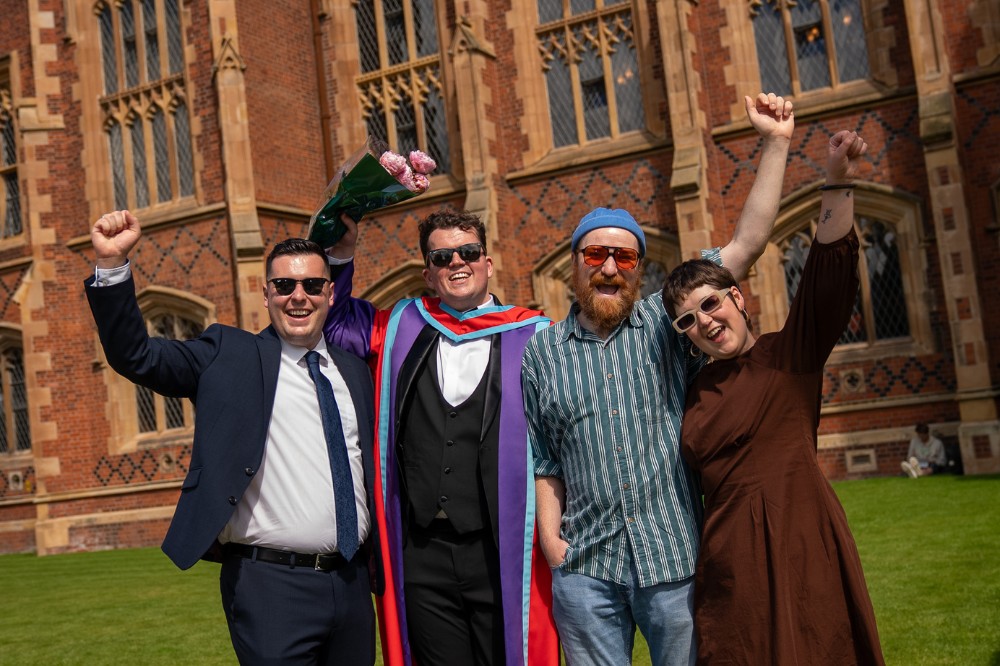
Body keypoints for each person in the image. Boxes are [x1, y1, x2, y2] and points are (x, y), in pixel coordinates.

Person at [521, 92, 794, 666]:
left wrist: (774, 143)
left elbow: (746, 244)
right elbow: (544, 460)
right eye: (595, 256)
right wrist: (551, 541)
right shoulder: (542, 351)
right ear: (575, 265)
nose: (610, 268)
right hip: (585, 569)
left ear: (639, 269)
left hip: (671, 560)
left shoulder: (663, 325)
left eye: (624, 258)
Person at [86, 210, 382, 665]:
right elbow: (136, 356)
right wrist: (111, 266)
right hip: (269, 589)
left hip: (352, 585)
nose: (297, 297)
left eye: (310, 286)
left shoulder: (355, 372)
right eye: (283, 286)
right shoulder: (229, 355)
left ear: (329, 293)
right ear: (265, 294)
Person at [661, 130, 884, 664]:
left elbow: (826, 280)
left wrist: (835, 183)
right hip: (730, 560)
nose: (705, 323)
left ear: (737, 296)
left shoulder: (791, 355)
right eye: (688, 320)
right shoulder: (691, 392)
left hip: (802, 534)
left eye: (711, 304)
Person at [323, 210, 559, 666]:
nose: (458, 262)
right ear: (428, 272)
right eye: (442, 256)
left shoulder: (535, 335)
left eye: (468, 252)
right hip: (420, 552)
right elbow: (335, 326)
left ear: (488, 263)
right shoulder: (399, 326)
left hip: (499, 549)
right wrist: (342, 252)